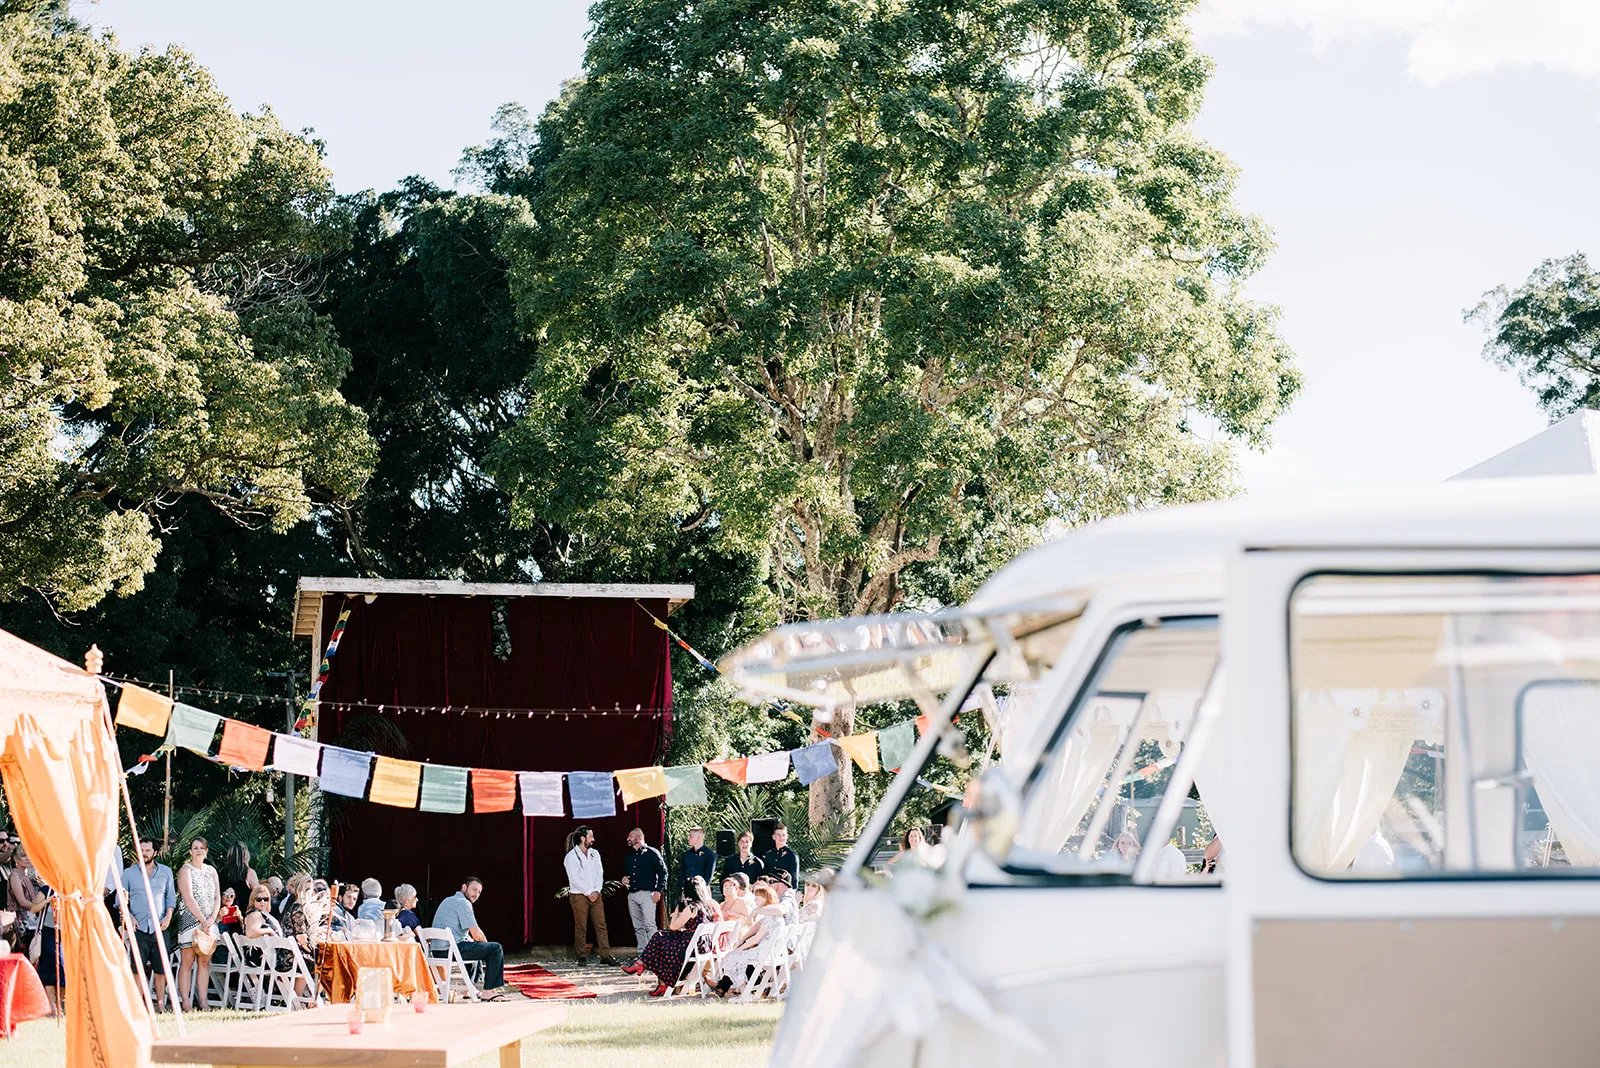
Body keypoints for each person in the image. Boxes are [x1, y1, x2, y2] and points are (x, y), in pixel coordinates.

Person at [635, 877, 721, 997]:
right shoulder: (706, 906)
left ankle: (646, 967)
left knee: (659, 939)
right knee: (661, 939)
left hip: (692, 945)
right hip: (703, 945)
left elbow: (673, 926)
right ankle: (650, 973)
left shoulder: (692, 907)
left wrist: (675, 913)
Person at [122, 836, 177, 1010]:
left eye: (147, 850)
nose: (144, 854)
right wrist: (128, 916)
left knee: (161, 968)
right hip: (138, 928)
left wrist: (168, 917)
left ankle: (160, 1005)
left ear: (155, 852)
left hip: (159, 926)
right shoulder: (128, 873)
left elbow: (171, 898)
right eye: (141, 850)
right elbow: (120, 899)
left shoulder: (166, 872)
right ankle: (139, 1005)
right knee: (137, 968)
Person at [431, 877, 509, 998]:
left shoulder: (448, 900)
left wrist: (479, 945)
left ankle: (470, 989)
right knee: (495, 949)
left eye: (479, 892)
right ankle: (488, 992)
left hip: (438, 951)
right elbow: (477, 933)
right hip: (450, 950)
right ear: (464, 887)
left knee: (472, 945)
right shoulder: (463, 903)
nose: (476, 894)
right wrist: (486, 946)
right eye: (474, 890)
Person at [713, 883, 788, 998]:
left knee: (732, 958)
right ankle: (734, 989)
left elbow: (756, 939)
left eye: (757, 898)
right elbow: (755, 929)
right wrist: (742, 941)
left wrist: (738, 948)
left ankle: (744, 991)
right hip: (773, 952)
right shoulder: (772, 916)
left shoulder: (770, 916)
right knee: (737, 958)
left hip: (766, 952)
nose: (755, 900)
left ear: (764, 900)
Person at [174, 837, 220, 1012]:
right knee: (187, 961)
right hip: (190, 920)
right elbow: (188, 897)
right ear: (190, 851)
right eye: (195, 848)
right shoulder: (186, 870)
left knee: (205, 961)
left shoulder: (212, 871)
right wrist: (201, 919)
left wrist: (211, 919)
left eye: (202, 847)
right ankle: (186, 1002)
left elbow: (217, 897)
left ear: (206, 851)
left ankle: (203, 1001)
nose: (199, 850)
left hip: (209, 921)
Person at [563, 827, 615, 965]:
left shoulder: (594, 853)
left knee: (601, 925)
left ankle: (605, 955)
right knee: (581, 926)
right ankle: (581, 956)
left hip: (595, 894)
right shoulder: (571, 857)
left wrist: (597, 890)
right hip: (579, 895)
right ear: (582, 838)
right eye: (591, 836)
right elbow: (574, 879)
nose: (593, 839)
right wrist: (588, 892)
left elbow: (600, 872)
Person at [620, 828, 667, 966]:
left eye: (631, 836)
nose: (628, 839)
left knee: (649, 925)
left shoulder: (652, 853)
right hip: (633, 895)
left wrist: (658, 890)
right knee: (638, 927)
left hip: (648, 894)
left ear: (639, 837)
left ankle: (656, 956)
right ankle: (643, 955)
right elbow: (627, 874)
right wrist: (624, 879)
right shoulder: (630, 857)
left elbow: (663, 872)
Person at [678, 826, 717, 898]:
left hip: (702, 890)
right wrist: (683, 888)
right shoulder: (686, 855)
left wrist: (700, 888)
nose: (688, 838)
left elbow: (708, 876)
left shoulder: (710, 855)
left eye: (691, 836)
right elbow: (681, 873)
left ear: (699, 837)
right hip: (687, 890)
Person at [219, 842, 258, 913]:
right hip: (245, 915)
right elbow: (258, 894)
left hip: (226, 914)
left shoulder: (222, 872)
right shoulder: (249, 872)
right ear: (246, 855)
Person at [762, 823, 801, 890]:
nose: (781, 837)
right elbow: (765, 876)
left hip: (785, 892)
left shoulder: (792, 855)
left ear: (787, 836)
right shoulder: (769, 855)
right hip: (771, 891)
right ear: (773, 837)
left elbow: (794, 879)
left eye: (783, 835)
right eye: (778, 835)